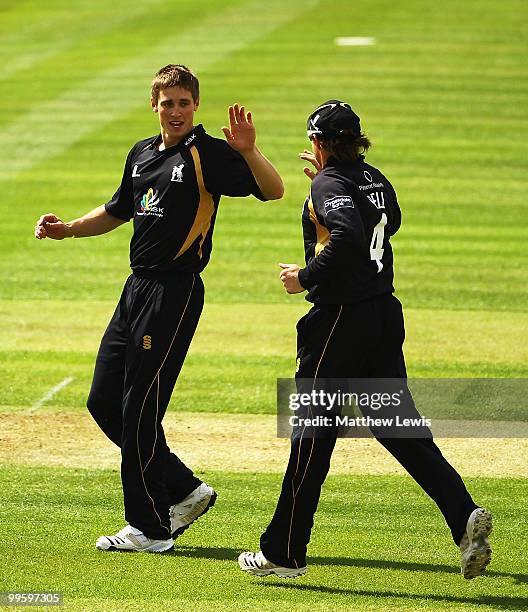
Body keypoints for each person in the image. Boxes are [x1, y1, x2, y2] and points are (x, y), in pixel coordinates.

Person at [34, 64, 284, 553]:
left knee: (139, 411)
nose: (175, 112)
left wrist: (251, 150)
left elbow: (273, 191)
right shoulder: (142, 153)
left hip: (175, 291)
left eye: (183, 103)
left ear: (196, 106)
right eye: (167, 103)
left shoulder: (208, 154)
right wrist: (67, 229)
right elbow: (116, 211)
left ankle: (149, 528)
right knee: (104, 402)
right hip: (136, 291)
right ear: (154, 105)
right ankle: (186, 490)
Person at [238, 100, 492, 579]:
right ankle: (463, 515)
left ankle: (283, 553)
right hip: (381, 312)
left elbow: (349, 235)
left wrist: (306, 276)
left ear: (318, 142)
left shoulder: (330, 183)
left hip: (338, 321)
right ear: (356, 141)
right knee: (397, 425)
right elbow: (389, 222)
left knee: (312, 435)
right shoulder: (373, 178)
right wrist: (329, 189)